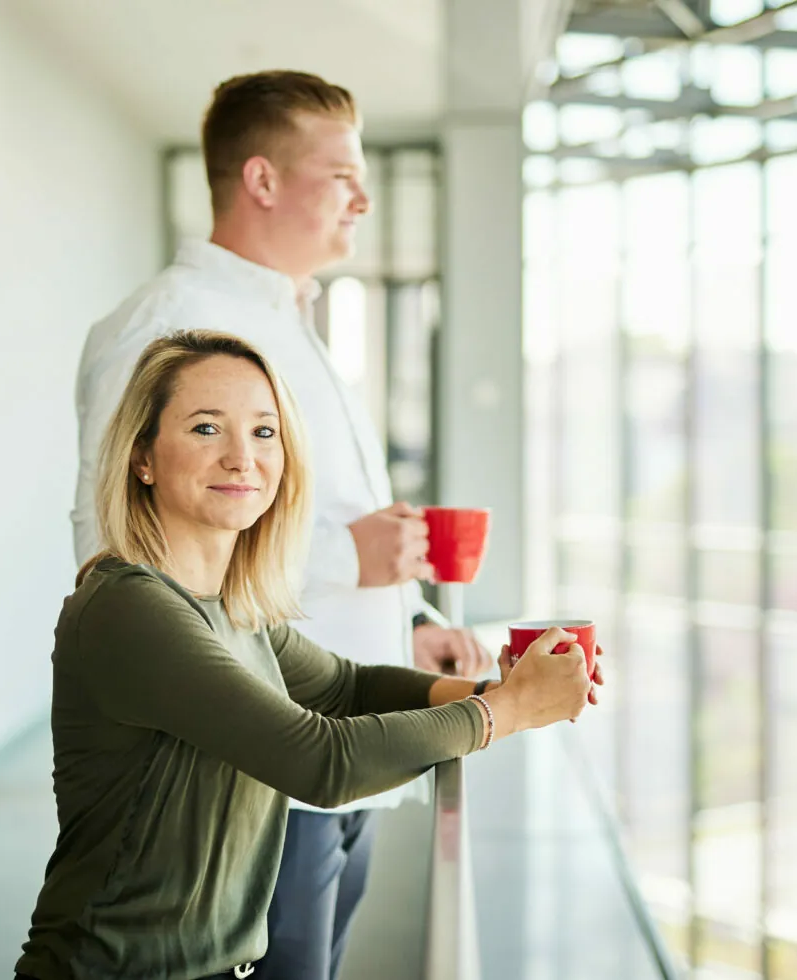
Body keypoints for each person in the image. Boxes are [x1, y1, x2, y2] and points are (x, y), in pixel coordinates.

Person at [70, 70, 495, 979]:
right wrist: (350, 557)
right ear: (262, 180)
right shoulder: (171, 324)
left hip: (334, 743)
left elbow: (310, 522)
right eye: (342, 173)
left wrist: (410, 626)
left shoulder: (289, 321)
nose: (364, 198)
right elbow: (124, 544)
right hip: (261, 770)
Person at [16, 330, 599, 980]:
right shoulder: (130, 608)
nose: (243, 458)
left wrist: (501, 689)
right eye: (207, 428)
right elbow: (321, 761)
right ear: (143, 457)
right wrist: (508, 712)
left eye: (264, 432)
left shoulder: (234, 606)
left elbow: (345, 688)